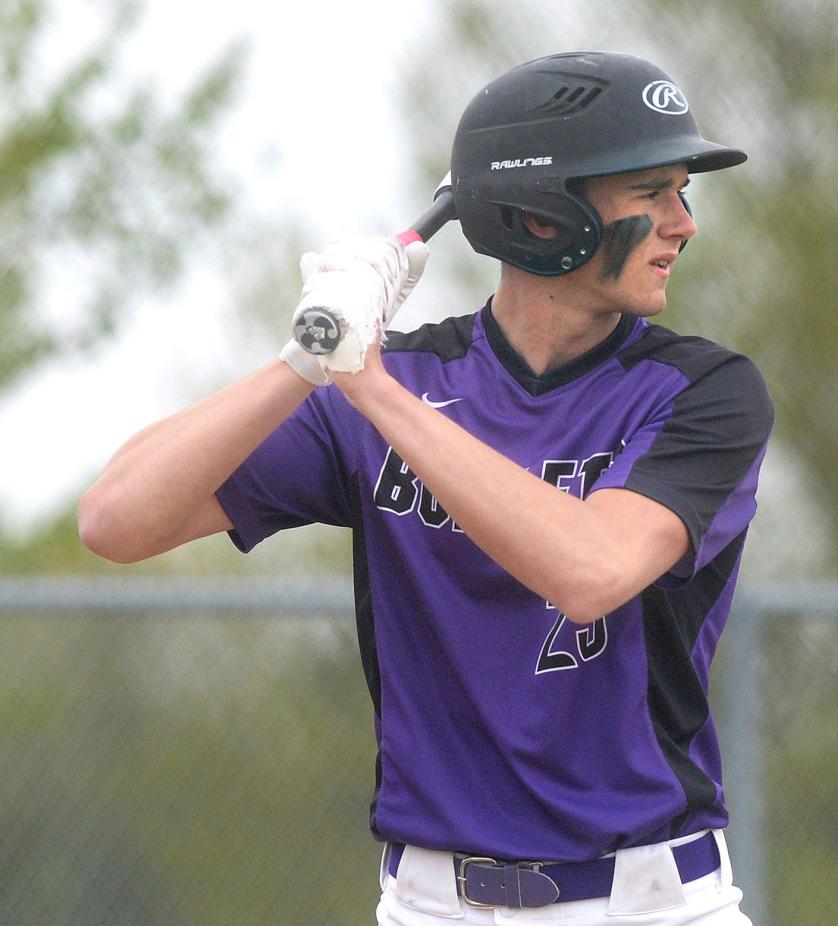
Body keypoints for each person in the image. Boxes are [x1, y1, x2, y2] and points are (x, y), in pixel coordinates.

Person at [78, 51, 773, 925]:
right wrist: (305, 358)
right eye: (652, 192)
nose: (684, 222)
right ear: (545, 217)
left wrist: (365, 383)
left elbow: (590, 570)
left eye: (683, 191)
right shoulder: (401, 379)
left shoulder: (703, 391)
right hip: (428, 905)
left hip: (649, 902)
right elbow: (116, 519)